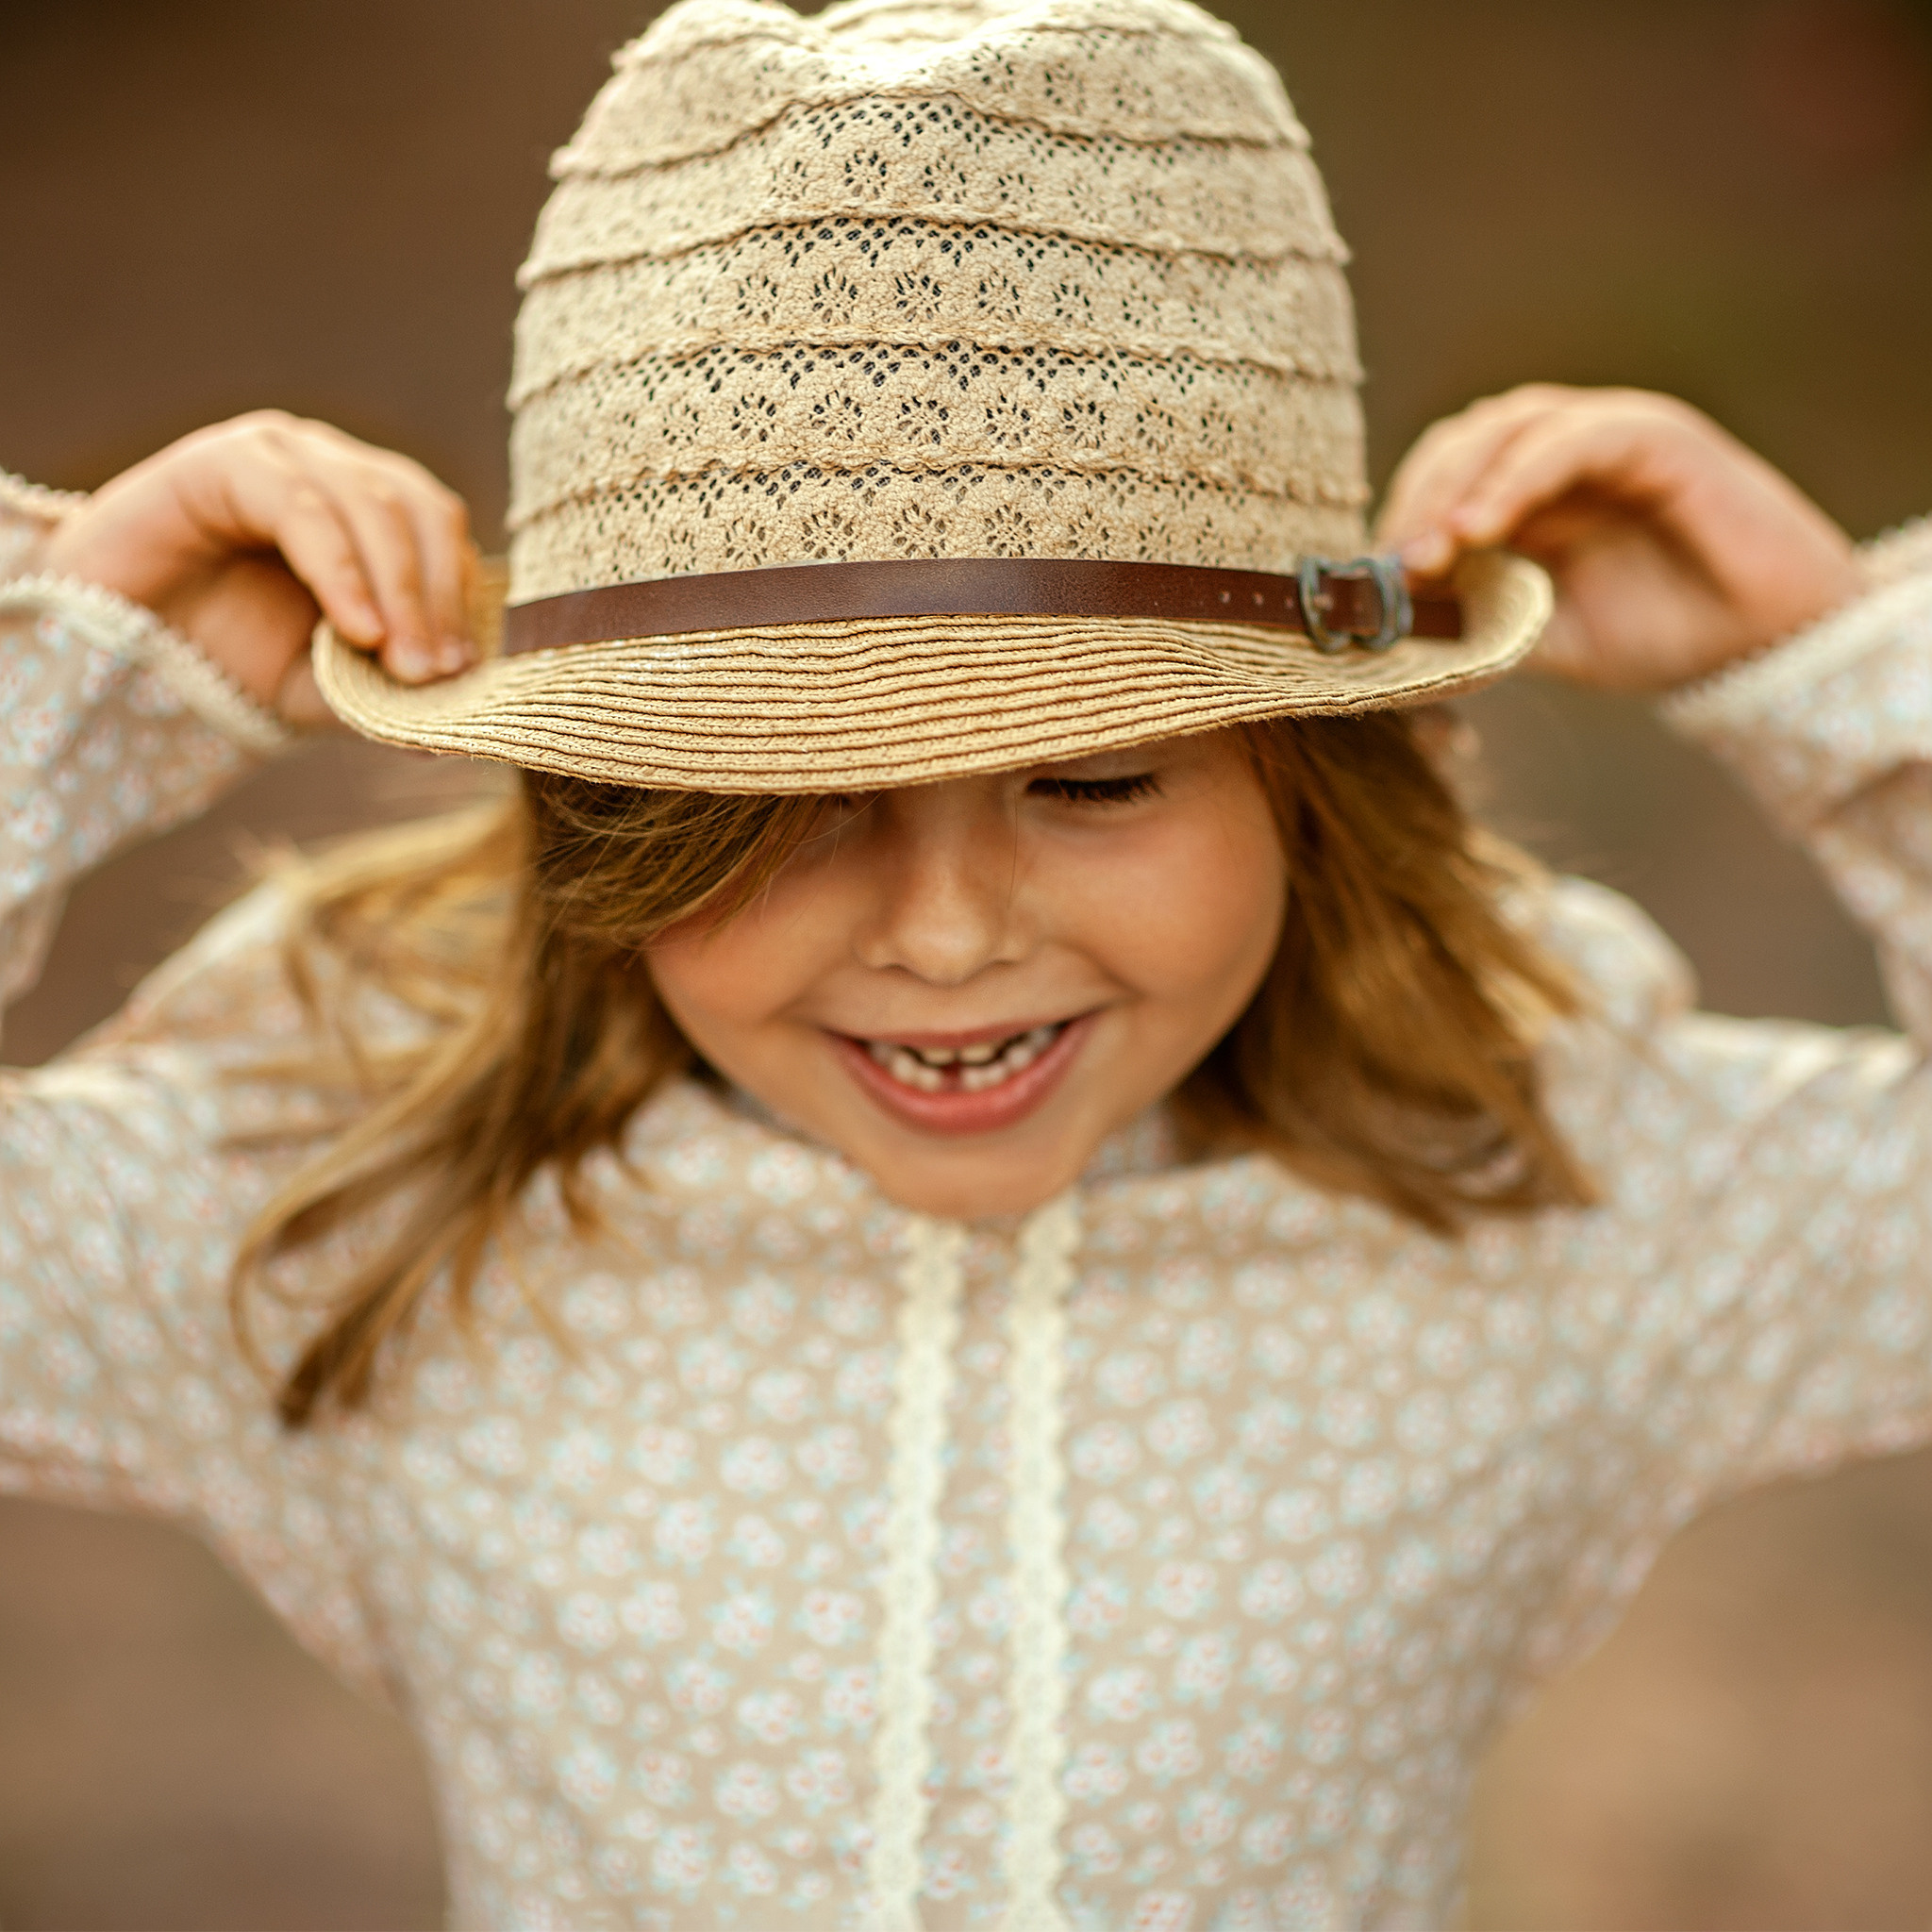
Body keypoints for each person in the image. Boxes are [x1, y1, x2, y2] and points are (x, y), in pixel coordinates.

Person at [4, 0, 1931, 1924]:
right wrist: (65, 697)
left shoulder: (1541, 1176)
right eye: (786, 800)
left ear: (1307, 786)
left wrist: (1851, 682)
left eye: (1092, 777)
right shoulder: (362, 1195)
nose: (941, 932)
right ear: (611, 811)